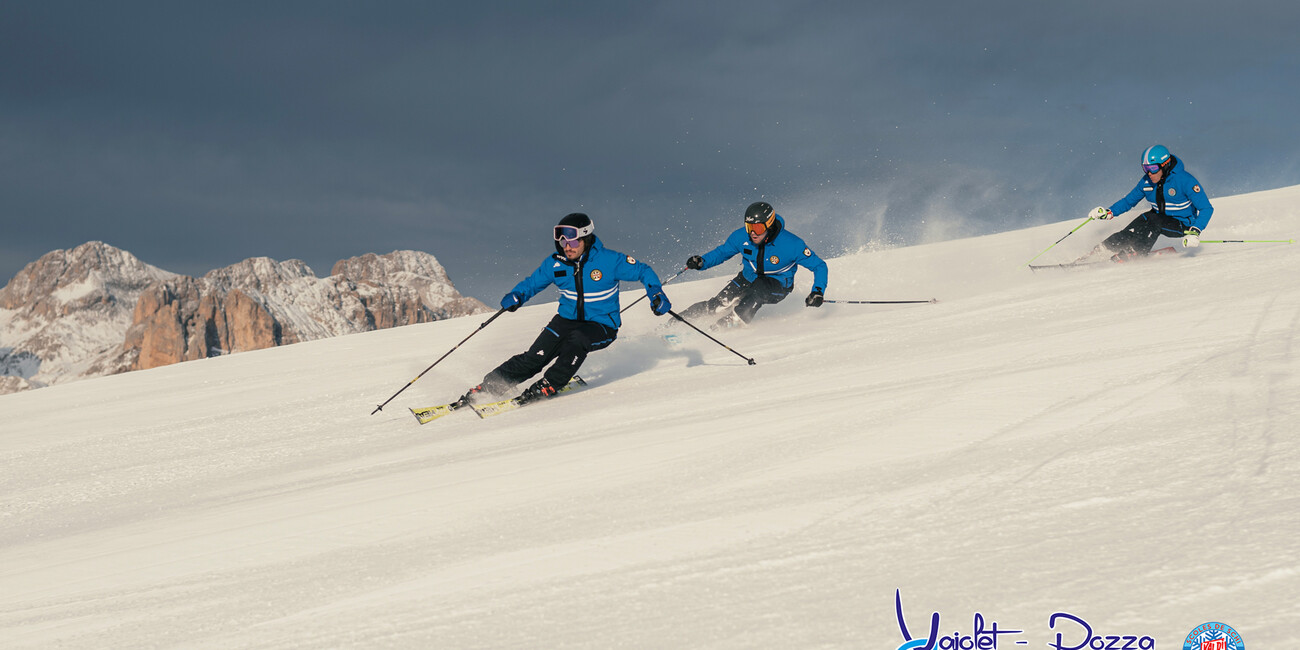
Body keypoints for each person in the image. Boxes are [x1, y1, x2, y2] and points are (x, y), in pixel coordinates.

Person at [456, 213, 671, 406]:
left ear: (585, 239)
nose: (567, 246)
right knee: (534, 357)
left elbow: (644, 271)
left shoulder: (609, 261)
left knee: (578, 340)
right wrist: (517, 296)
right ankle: (490, 387)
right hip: (565, 320)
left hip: (602, 325)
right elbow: (532, 283)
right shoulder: (555, 264)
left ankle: (549, 384)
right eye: (562, 241)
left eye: (572, 241)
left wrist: (656, 293)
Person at [678, 201, 828, 328]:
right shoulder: (741, 237)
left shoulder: (792, 244)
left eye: (758, 228)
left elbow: (819, 266)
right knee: (718, 305)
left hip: (778, 284)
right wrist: (702, 262)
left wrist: (818, 291)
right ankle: (675, 324)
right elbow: (722, 252)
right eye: (749, 227)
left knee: (757, 291)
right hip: (747, 277)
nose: (753, 233)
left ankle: (726, 326)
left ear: (769, 225)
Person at [1080, 144, 1213, 262]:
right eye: (1145, 168)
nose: (1149, 173)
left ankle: (1135, 252)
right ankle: (1102, 250)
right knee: (1140, 221)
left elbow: (1206, 208)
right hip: (1157, 218)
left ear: (1165, 165)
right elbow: (1128, 201)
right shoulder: (1146, 182)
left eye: (1153, 168)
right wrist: (1109, 212)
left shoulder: (1184, 180)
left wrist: (1195, 231)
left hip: (1183, 224)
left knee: (1154, 220)